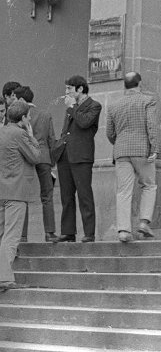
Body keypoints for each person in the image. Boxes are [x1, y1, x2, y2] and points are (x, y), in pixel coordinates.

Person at [106, 72, 160, 243]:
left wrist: (120, 143)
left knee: (123, 191)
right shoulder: (147, 101)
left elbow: (109, 133)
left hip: (121, 151)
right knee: (149, 185)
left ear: (125, 85)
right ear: (140, 84)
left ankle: (123, 230)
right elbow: (151, 125)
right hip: (142, 150)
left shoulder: (114, 105)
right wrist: (154, 147)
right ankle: (143, 222)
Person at [54, 75, 102, 243]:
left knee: (84, 195)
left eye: (69, 88)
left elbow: (84, 123)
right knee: (66, 196)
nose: (66, 92)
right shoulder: (71, 107)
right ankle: (68, 232)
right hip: (65, 155)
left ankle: (89, 233)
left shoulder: (94, 105)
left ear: (80, 89)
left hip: (82, 156)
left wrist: (72, 107)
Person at [0, 100, 41, 291]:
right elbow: (35, 157)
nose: (30, 118)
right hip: (16, 191)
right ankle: (4, 278)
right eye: (28, 116)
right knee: (11, 237)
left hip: (2, 190)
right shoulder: (20, 134)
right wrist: (32, 137)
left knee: (3, 235)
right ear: (23, 118)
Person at [12, 86, 57, 243]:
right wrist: (52, 163)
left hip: (26, 158)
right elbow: (52, 139)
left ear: (22, 100)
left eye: (16, 98)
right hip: (44, 158)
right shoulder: (45, 114)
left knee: (24, 197)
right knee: (47, 196)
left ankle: (23, 236)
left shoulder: (19, 115)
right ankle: (50, 233)